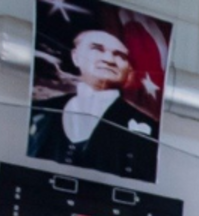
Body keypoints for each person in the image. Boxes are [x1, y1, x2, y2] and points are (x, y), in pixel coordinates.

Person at [28, 28, 160, 181]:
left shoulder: (149, 129)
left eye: (120, 56)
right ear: (76, 56)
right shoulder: (39, 111)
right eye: (97, 49)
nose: (109, 60)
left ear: (129, 69)